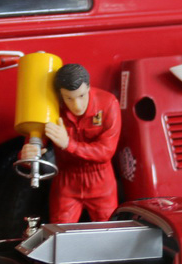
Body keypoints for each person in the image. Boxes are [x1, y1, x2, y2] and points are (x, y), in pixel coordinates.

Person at [20, 63, 121, 224]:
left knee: (108, 231)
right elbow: (34, 148)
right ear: (60, 95)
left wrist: (68, 144)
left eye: (81, 96)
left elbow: (105, 152)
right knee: (60, 232)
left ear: (88, 87)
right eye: (69, 98)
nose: (77, 105)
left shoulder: (108, 104)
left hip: (101, 182)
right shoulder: (51, 108)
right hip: (66, 181)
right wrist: (28, 155)